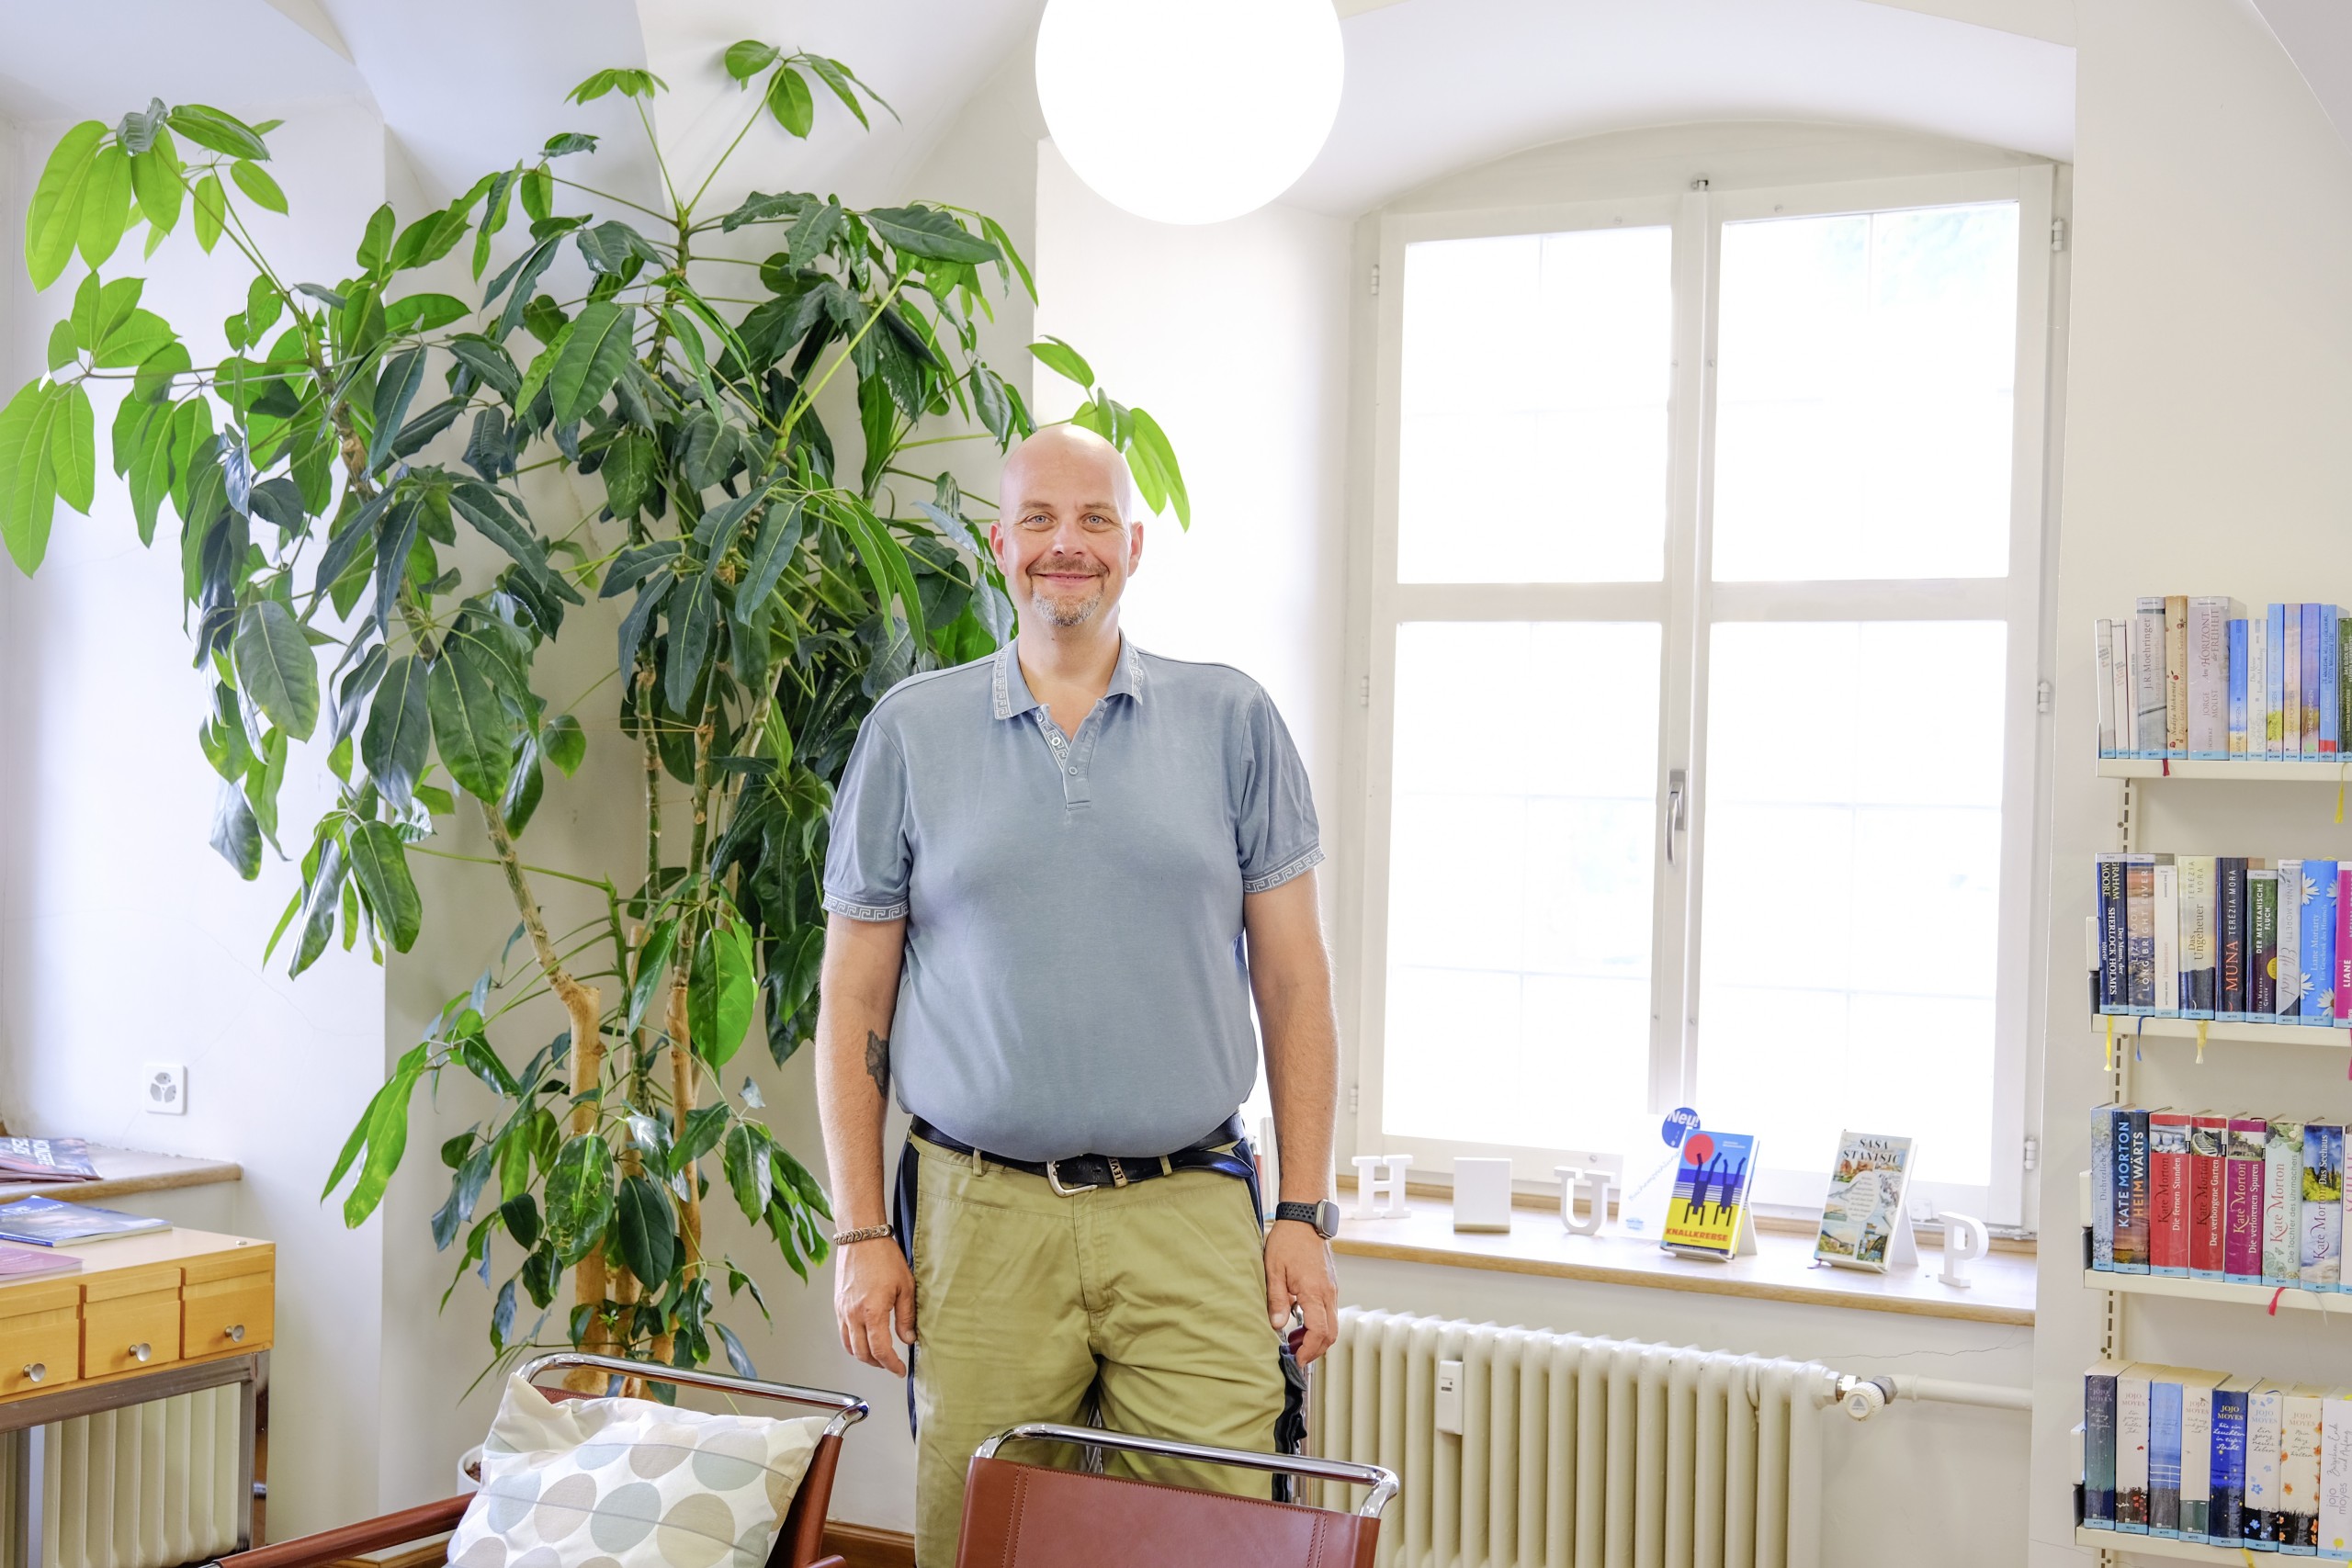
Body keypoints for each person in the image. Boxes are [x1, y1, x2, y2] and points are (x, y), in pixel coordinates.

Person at [812, 423, 1343, 1565]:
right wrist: (861, 1229)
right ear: (998, 544)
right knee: (984, 1539)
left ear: (1134, 546)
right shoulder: (911, 732)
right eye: (1041, 521)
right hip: (979, 1218)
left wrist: (1301, 1214)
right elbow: (853, 997)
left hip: (1191, 1210)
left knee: (1218, 1541)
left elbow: (1296, 986)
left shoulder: (1232, 722)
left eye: (1095, 519)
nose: (1068, 545)